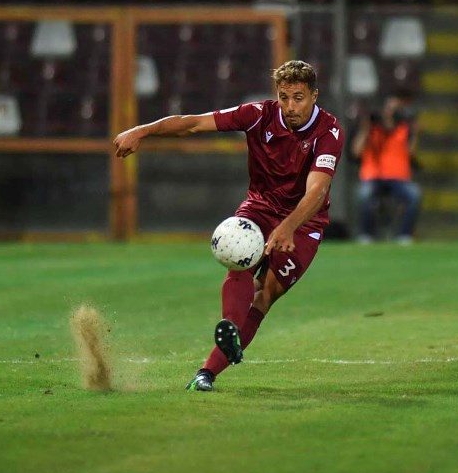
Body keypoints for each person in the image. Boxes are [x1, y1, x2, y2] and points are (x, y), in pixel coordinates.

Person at [113, 60, 344, 392]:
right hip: (260, 208)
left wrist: (289, 226)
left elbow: (317, 190)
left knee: (265, 295)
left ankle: (211, 367)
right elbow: (193, 123)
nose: (290, 106)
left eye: (298, 97)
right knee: (238, 255)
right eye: (284, 97)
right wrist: (142, 130)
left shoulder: (328, 130)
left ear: (314, 96)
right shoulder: (257, 115)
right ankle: (218, 352)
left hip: (304, 221)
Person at [352, 92, 421, 244]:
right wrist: (365, 129)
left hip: (398, 178)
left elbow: (412, 154)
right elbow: (356, 152)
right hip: (373, 177)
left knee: (414, 195)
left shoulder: (404, 128)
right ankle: (366, 235)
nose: (392, 112)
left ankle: (405, 236)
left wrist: (415, 133)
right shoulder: (372, 128)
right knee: (364, 194)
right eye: (390, 108)